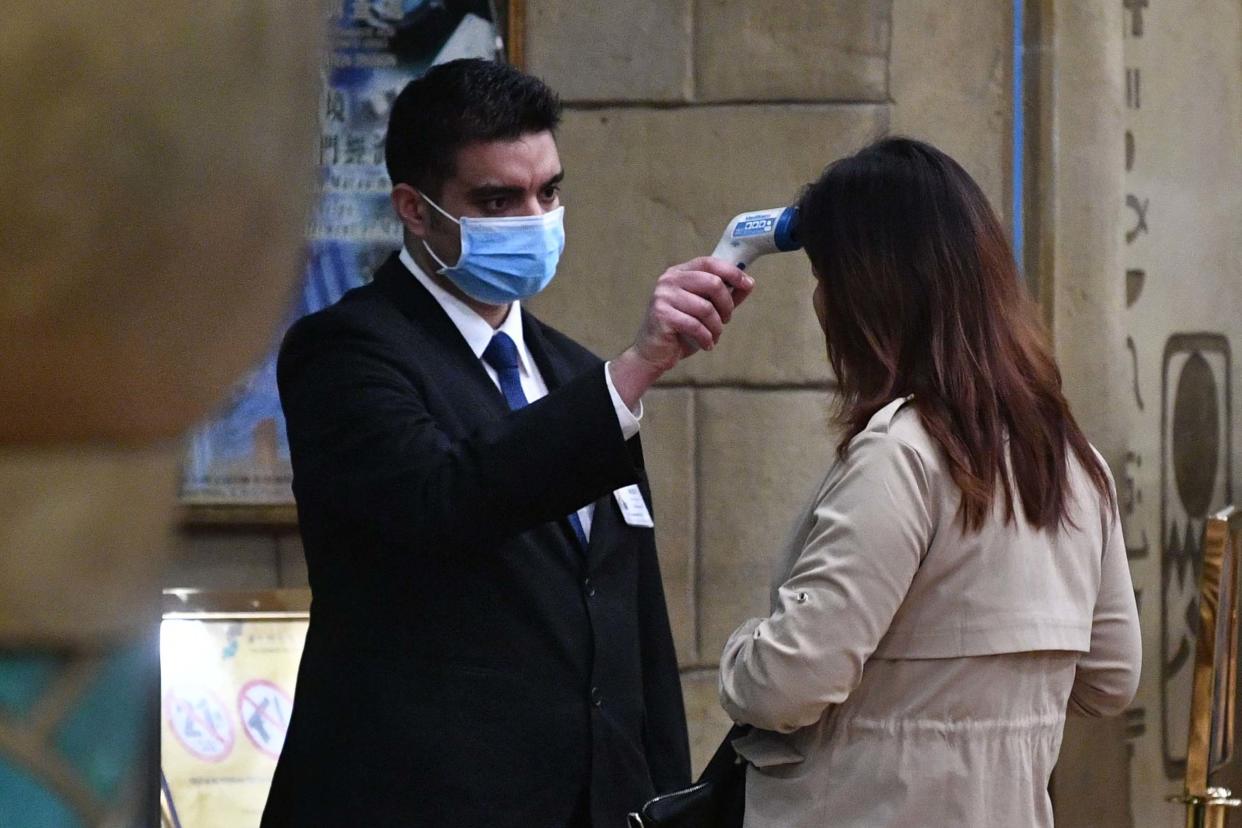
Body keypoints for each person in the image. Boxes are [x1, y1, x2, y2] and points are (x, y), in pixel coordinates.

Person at [262, 58, 754, 828]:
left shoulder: (571, 372)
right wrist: (634, 372)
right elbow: (443, 499)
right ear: (416, 211)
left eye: (548, 191)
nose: (533, 218)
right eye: (498, 199)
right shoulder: (347, 350)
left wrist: (666, 794)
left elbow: (632, 620)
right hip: (420, 802)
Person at [717, 138, 1142, 828]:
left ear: (869, 293)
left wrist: (745, 646)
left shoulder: (901, 454)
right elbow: (1112, 678)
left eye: (828, 278)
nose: (822, 304)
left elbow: (788, 684)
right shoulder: (1071, 460)